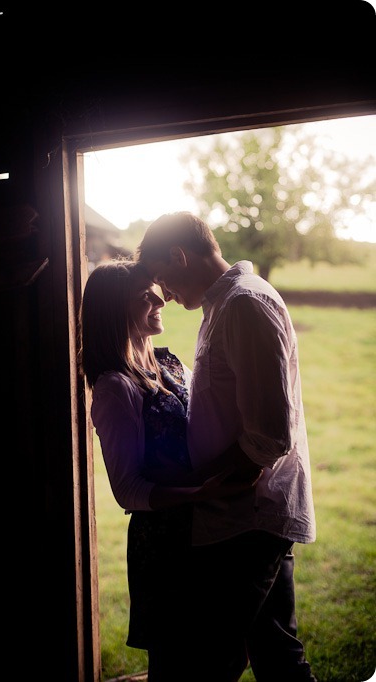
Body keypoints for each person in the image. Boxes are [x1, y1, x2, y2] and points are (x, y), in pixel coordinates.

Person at [135, 211, 317, 682]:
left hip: (249, 517)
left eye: (162, 279)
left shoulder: (244, 305)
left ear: (180, 255)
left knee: (209, 660)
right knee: (277, 654)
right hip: (243, 515)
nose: (166, 296)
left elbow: (269, 435)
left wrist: (201, 483)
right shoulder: (222, 305)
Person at [79, 258, 239, 682]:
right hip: (165, 547)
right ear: (115, 309)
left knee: (222, 656)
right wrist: (202, 493)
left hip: (209, 530)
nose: (160, 300)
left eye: (158, 291)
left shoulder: (168, 365)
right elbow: (129, 490)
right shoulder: (116, 388)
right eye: (144, 296)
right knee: (176, 662)